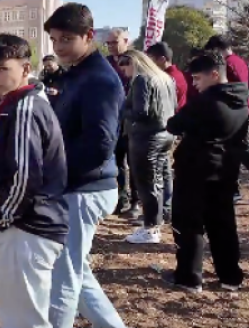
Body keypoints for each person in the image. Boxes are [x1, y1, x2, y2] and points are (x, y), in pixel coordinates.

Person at [0, 33, 68, 328]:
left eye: (2, 69)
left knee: (24, 321)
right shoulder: (18, 104)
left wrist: (3, 216)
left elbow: (24, 175)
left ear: (26, 68)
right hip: (31, 225)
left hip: (26, 228)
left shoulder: (26, 108)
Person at [45, 3, 127, 328]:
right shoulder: (75, 74)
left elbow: (100, 144)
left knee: (63, 278)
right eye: (54, 40)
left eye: (66, 39)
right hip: (76, 186)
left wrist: (56, 172)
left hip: (84, 189)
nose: (58, 47)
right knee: (77, 272)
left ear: (88, 36)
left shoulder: (100, 80)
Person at [164, 51, 247, 293]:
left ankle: (189, 278)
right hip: (226, 172)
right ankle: (230, 277)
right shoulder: (242, 103)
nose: (195, 84)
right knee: (223, 225)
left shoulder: (205, 102)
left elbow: (173, 124)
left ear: (214, 75)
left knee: (189, 225)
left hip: (194, 172)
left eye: (198, 78)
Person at [119, 50, 177, 242]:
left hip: (147, 137)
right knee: (159, 179)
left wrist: (122, 108)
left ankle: (151, 228)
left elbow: (141, 112)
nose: (123, 69)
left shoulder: (142, 80)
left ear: (134, 62)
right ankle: (157, 220)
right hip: (166, 134)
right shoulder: (165, 78)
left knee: (147, 183)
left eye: (124, 64)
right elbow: (174, 106)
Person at [204, 34, 249, 203]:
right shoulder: (239, 61)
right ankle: (233, 189)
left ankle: (233, 189)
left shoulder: (228, 65)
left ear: (217, 49)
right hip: (240, 111)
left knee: (239, 150)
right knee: (233, 152)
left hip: (236, 112)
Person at [104, 28, 133, 215]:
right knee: (117, 160)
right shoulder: (105, 63)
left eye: (115, 42)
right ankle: (121, 198)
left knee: (133, 162)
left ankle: (136, 200)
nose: (111, 46)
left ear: (126, 41)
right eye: (108, 43)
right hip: (111, 118)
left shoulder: (135, 60)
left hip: (132, 119)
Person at [146, 42, 188, 111]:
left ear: (162, 60)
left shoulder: (167, 79)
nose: (148, 64)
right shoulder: (179, 74)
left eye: (150, 61)